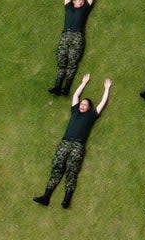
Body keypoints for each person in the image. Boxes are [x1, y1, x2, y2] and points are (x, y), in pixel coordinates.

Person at [33, 74, 111, 208]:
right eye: (81, 103)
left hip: (78, 146)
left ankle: (66, 199)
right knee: (57, 167)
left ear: (89, 108)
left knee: (71, 170)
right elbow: (75, 96)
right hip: (65, 142)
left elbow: (102, 104)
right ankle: (46, 196)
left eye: (85, 105)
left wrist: (107, 88)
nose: (82, 105)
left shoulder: (92, 116)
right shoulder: (75, 111)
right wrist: (83, 83)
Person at [50, 0, 97, 95]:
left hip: (77, 37)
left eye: (83, 0)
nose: (81, 2)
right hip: (65, 35)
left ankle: (66, 88)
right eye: (79, 0)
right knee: (61, 60)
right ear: (74, 1)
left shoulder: (85, 9)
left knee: (72, 62)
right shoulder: (68, 7)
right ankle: (57, 86)